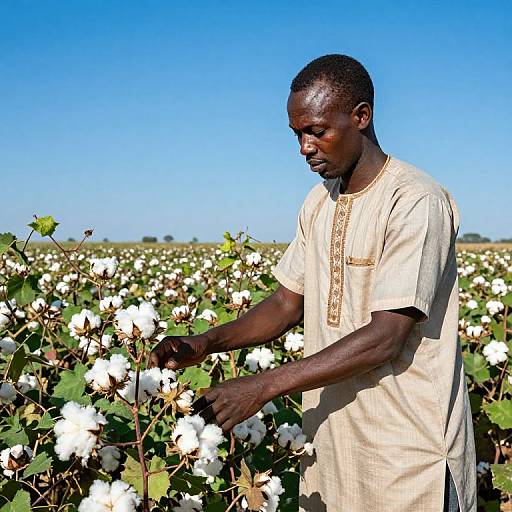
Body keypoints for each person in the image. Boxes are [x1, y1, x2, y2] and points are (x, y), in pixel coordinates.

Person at [149, 54, 476, 511]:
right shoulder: (319, 202)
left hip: (408, 455)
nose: (304, 147)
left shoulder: (414, 200)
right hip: (335, 445)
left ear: (361, 117)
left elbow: (386, 337)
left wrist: (261, 386)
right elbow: (286, 303)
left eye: (317, 131)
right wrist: (205, 342)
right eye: (297, 133)